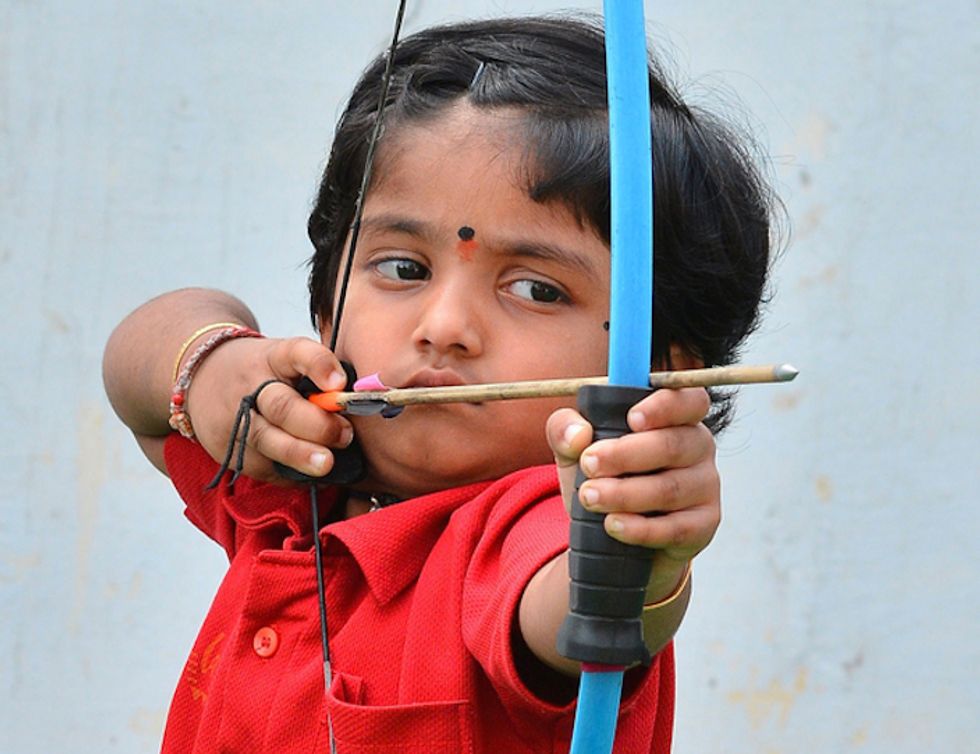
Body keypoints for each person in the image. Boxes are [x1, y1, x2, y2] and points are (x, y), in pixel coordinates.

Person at [103, 14, 775, 754]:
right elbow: (141, 386)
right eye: (402, 269)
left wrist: (638, 534)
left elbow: (583, 614)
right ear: (326, 308)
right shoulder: (294, 479)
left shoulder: (541, 524)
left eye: (537, 289)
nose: (445, 324)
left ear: (661, 376)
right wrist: (210, 361)